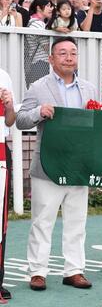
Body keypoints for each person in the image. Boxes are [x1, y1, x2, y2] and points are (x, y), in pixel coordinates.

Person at [16, 37, 97, 291]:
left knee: (77, 220)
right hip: (48, 165)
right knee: (42, 220)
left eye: (73, 53)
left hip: (78, 165)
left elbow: (97, 121)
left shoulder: (89, 89)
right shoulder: (37, 87)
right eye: (62, 53)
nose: (69, 57)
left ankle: (74, 270)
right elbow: (20, 120)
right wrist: (39, 112)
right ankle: (38, 271)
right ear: (51, 59)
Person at [0, 68, 16, 300]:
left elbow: (10, 121)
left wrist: (10, 105)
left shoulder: (3, 75)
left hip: (1, 151)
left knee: (0, 220)